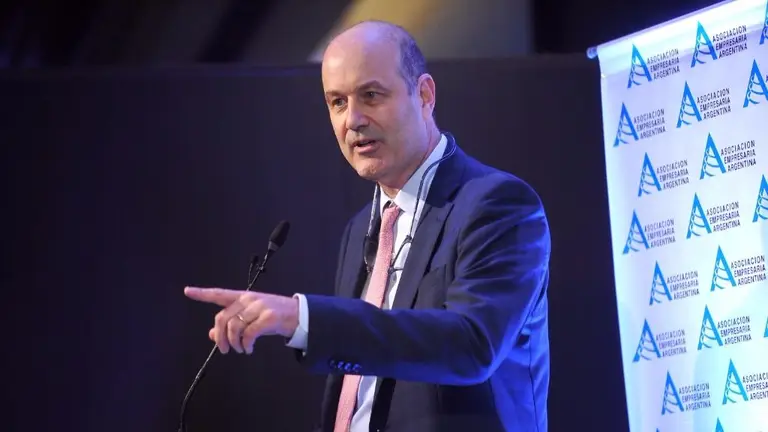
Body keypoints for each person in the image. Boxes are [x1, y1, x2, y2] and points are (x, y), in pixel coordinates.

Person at [184, 20, 551, 432]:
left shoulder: (497, 205)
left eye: (371, 95)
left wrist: (303, 318)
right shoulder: (361, 227)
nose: (353, 120)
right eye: (337, 102)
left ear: (424, 95)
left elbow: (471, 345)